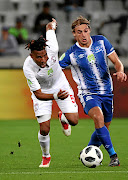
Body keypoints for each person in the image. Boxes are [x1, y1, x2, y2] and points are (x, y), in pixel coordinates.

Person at [59, 16, 127, 167]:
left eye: (85, 31)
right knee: (98, 117)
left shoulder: (101, 41)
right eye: (79, 32)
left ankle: (89, 152)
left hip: (107, 92)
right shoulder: (71, 53)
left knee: (103, 128)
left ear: (89, 30)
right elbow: (56, 70)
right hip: (88, 93)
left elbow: (116, 62)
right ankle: (113, 156)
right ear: (74, 34)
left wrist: (120, 71)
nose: (83, 35)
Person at [23, 18, 78, 168]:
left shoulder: (52, 48)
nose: (42, 59)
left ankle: (63, 118)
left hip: (60, 85)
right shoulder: (28, 68)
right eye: (38, 57)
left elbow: (49, 27)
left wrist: (52, 24)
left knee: (74, 120)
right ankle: (46, 156)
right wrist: (54, 97)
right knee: (44, 129)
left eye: (44, 55)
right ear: (31, 56)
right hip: (43, 93)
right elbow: (38, 94)